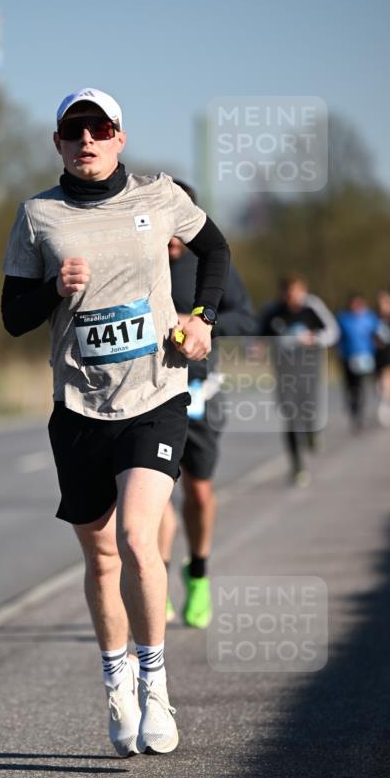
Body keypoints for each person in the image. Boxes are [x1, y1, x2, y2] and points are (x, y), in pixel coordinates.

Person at [2, 88, 230, 756]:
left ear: (119, 137)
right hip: (77, 406)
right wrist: (53, 288)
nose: (86, 141)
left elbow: (215, 251)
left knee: (136, 536)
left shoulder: (159, 197)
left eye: (99, 129)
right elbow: (13, 315)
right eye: (73, 131)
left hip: (154, 393)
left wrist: (201, 320)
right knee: (100, 556)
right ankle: (117, 685)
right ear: (58, 144)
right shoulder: (37, 215)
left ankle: (155, 683)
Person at [158, 181, 257, 629]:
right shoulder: (144, 258)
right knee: (155, 493)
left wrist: (199, 321)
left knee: (197, 491)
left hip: (201, 392)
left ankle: (197, 573)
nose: (173, 238)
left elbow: (246, 317)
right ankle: (154, 581)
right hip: (153, 393)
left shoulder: (208, 262)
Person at [259, 273, 339, 487]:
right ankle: (297, 467)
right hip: (285, 375)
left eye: (296, 292)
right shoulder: (273, 312)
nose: (292, 297)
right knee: (291, 418)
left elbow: (332, 332)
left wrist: (315, 339)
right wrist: (256, 347)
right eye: (288, 292)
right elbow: (256, 337)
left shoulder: (312, 308)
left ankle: (313, 431)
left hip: (310, 372)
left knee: (309, 410)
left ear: (303, 290)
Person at [336, 293, 378, 431]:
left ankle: (359, 412)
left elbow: (377, 333)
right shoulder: (343, 318)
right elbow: (336, 337)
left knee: (360, 385)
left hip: (365, 356)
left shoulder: (370, 318)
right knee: (350, 386)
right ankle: (353, 407)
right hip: (347, 357)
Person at [373, 288, 390, 427]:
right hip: (381, 354)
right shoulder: (375, 320)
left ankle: (389, 403)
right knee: (386, 377)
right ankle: (384, 403)